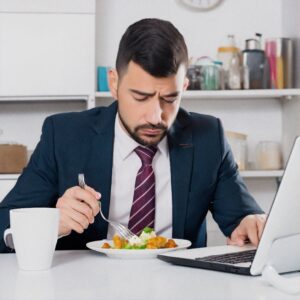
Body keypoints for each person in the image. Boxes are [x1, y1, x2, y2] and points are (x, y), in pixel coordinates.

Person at [0, 18, 266, 252]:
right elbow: (3, 224)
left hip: (181, 289)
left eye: (170, 98)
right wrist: (50, 222)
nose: (155, 116)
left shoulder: (208, 137)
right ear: (114, 83)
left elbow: (242, 217)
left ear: (184, 87)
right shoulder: (64, 135)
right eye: (141, 97)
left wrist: (251, 223)